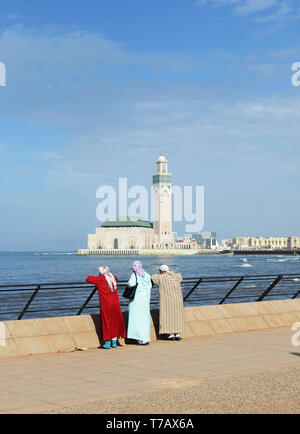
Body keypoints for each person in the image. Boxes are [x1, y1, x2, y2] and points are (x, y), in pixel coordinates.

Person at [86, 265, 126, 349]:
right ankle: (114, 342)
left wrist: (99, 276)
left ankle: (107, 342)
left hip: (106, 304)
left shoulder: (100, 279)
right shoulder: (113, 277)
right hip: (115, 303)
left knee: (106, 321)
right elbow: (116, 278)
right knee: (115, 321)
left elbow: (88, 278)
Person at [151, 264, 184, 341]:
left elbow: (153, 277)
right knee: (177, 316)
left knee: (169, 316)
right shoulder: (176, 276)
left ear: (162, 271)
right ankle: (178, 334)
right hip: (178, 300)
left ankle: (171, 334)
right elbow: (180, 276)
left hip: (168, 300)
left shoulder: (161, 277)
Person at [126, 260, 152, 345]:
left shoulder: (134, 275)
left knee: (136, 318)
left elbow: (131, 284)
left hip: (136, 300)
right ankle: (146, 338)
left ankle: (139, 338)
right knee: (144, 319)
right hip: (145, 300)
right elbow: (150, 285)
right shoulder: (147, 275)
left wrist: (129, 280)